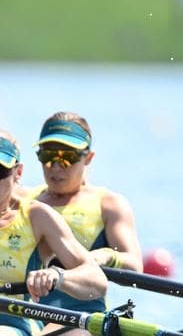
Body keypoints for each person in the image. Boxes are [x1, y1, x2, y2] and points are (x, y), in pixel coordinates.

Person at [0, 130, 107, 336]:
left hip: (13, 328)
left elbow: (97, 281)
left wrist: (58, 276)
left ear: (18, 172)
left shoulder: (37, 216)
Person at [33, 112, 142, 315]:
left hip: (84, 317)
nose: (56, 166)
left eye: (67, 157)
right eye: (48, 156)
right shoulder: (25, 201)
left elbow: (135, 267)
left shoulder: (109, 204)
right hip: (30, 314)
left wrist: (107, 256)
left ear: (88, 157)